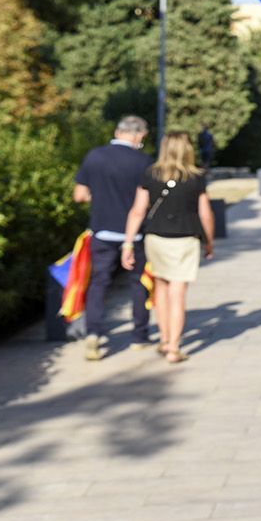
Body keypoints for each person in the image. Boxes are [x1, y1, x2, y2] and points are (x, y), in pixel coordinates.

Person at [121, 132, 214, 364]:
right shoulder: (196, 177)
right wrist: (209, 241)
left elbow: (137, 210)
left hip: (156, 237)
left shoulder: (151, 174)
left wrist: (128, 243)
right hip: (186, 238)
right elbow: (205, 213)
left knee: (160, 287)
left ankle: (164, 338)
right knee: (178, 292)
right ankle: (174, 346)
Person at [71, 115, 154, 360]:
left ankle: (93, 332)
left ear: (118, 132)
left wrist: (100, 199)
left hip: (102, 229)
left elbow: (79, 195)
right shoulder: (144, 162)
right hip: (135, 233)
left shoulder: (94, 157)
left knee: (99, 282)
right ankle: (139, 336)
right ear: (138, 135)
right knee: (138, 282)